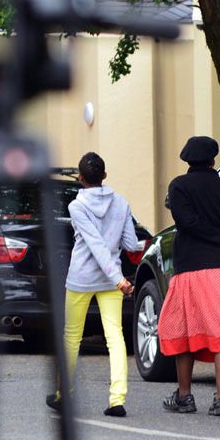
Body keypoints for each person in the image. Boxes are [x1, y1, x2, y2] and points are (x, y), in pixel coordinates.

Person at [157, 135, 220, 417]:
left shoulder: (179, 187)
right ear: (213, 160)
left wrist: (212, 232)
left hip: (188, 270)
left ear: (187, 159)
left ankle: (184, 396)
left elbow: (185, 221)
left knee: (184, 332)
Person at [46, 152, 141, 417]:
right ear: (105, 176)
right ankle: (117, 399)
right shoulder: (121, 203)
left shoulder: (77, 206)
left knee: (71, 336)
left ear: (80, 178)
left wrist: (117, 279)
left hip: (82, 278)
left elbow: (93, 243)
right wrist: (118, 278)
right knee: (115, 337)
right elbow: (130, 244)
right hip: (113, 281)